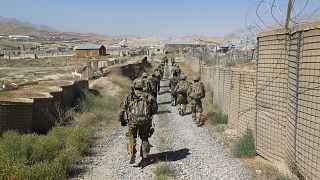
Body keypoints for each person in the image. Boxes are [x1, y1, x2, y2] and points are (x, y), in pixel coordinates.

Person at [118, 79, 158, 167]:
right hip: (146, 121)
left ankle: (132, 153)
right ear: (143, 86)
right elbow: (155, 110)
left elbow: (121, 110)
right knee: (144, 138)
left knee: (132, 137)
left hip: (133, 121)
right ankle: (144, 160)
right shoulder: (148, 96)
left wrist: (122, 120)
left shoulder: (130, 96)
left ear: (134, 86)